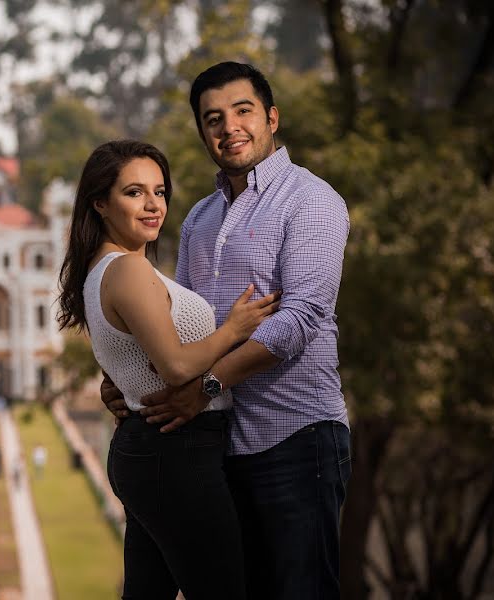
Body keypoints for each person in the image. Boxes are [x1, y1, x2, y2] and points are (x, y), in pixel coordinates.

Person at [101, 62, 352, 599]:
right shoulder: (198, 219)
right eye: (213, 118)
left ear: (272, 118)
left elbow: (299, 322)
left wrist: (207, 385)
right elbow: (182, 327)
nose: (229, 127)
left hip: (296, 438)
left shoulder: (313, 201)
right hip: (219, 447)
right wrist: (126, 378)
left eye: (243, 111)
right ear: (202, 133)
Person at [57, 139, 280, 599]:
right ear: (100, 203)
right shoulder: (127, 271)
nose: (153, 205)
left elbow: (135, 361)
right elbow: (177, 366)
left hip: (154, 450)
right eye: (134, 192)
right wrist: (235, 327)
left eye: (159, 192)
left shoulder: (108, 270)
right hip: (175, 451)